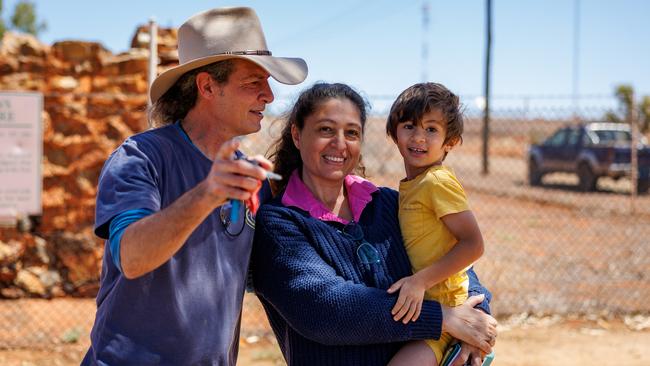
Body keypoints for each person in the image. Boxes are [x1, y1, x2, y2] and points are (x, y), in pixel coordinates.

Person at [81, 7, 307, 365]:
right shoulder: (141, 157)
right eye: (253, 83)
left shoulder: (250, 175)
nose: (269, 96)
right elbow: (132, 258)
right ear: (207, 86)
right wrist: (208, 194)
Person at [251, 83, 497, 366]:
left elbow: (458, 263)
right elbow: (325, 310)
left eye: (352, 133)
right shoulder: (280, 223)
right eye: (326, 129)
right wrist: (444, 319)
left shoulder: (388, 204)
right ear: (297, 134)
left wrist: (475, 316)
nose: (340, 144)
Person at [385, 82, 489, 366]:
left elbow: (473, 244)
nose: (419, 137)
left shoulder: (437, 181)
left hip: (447, 311)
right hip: (427, 312)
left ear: (450, 142)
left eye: (432, 129)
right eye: (409, 125)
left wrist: (420, 282)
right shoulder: (413, 185)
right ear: (394, 132)